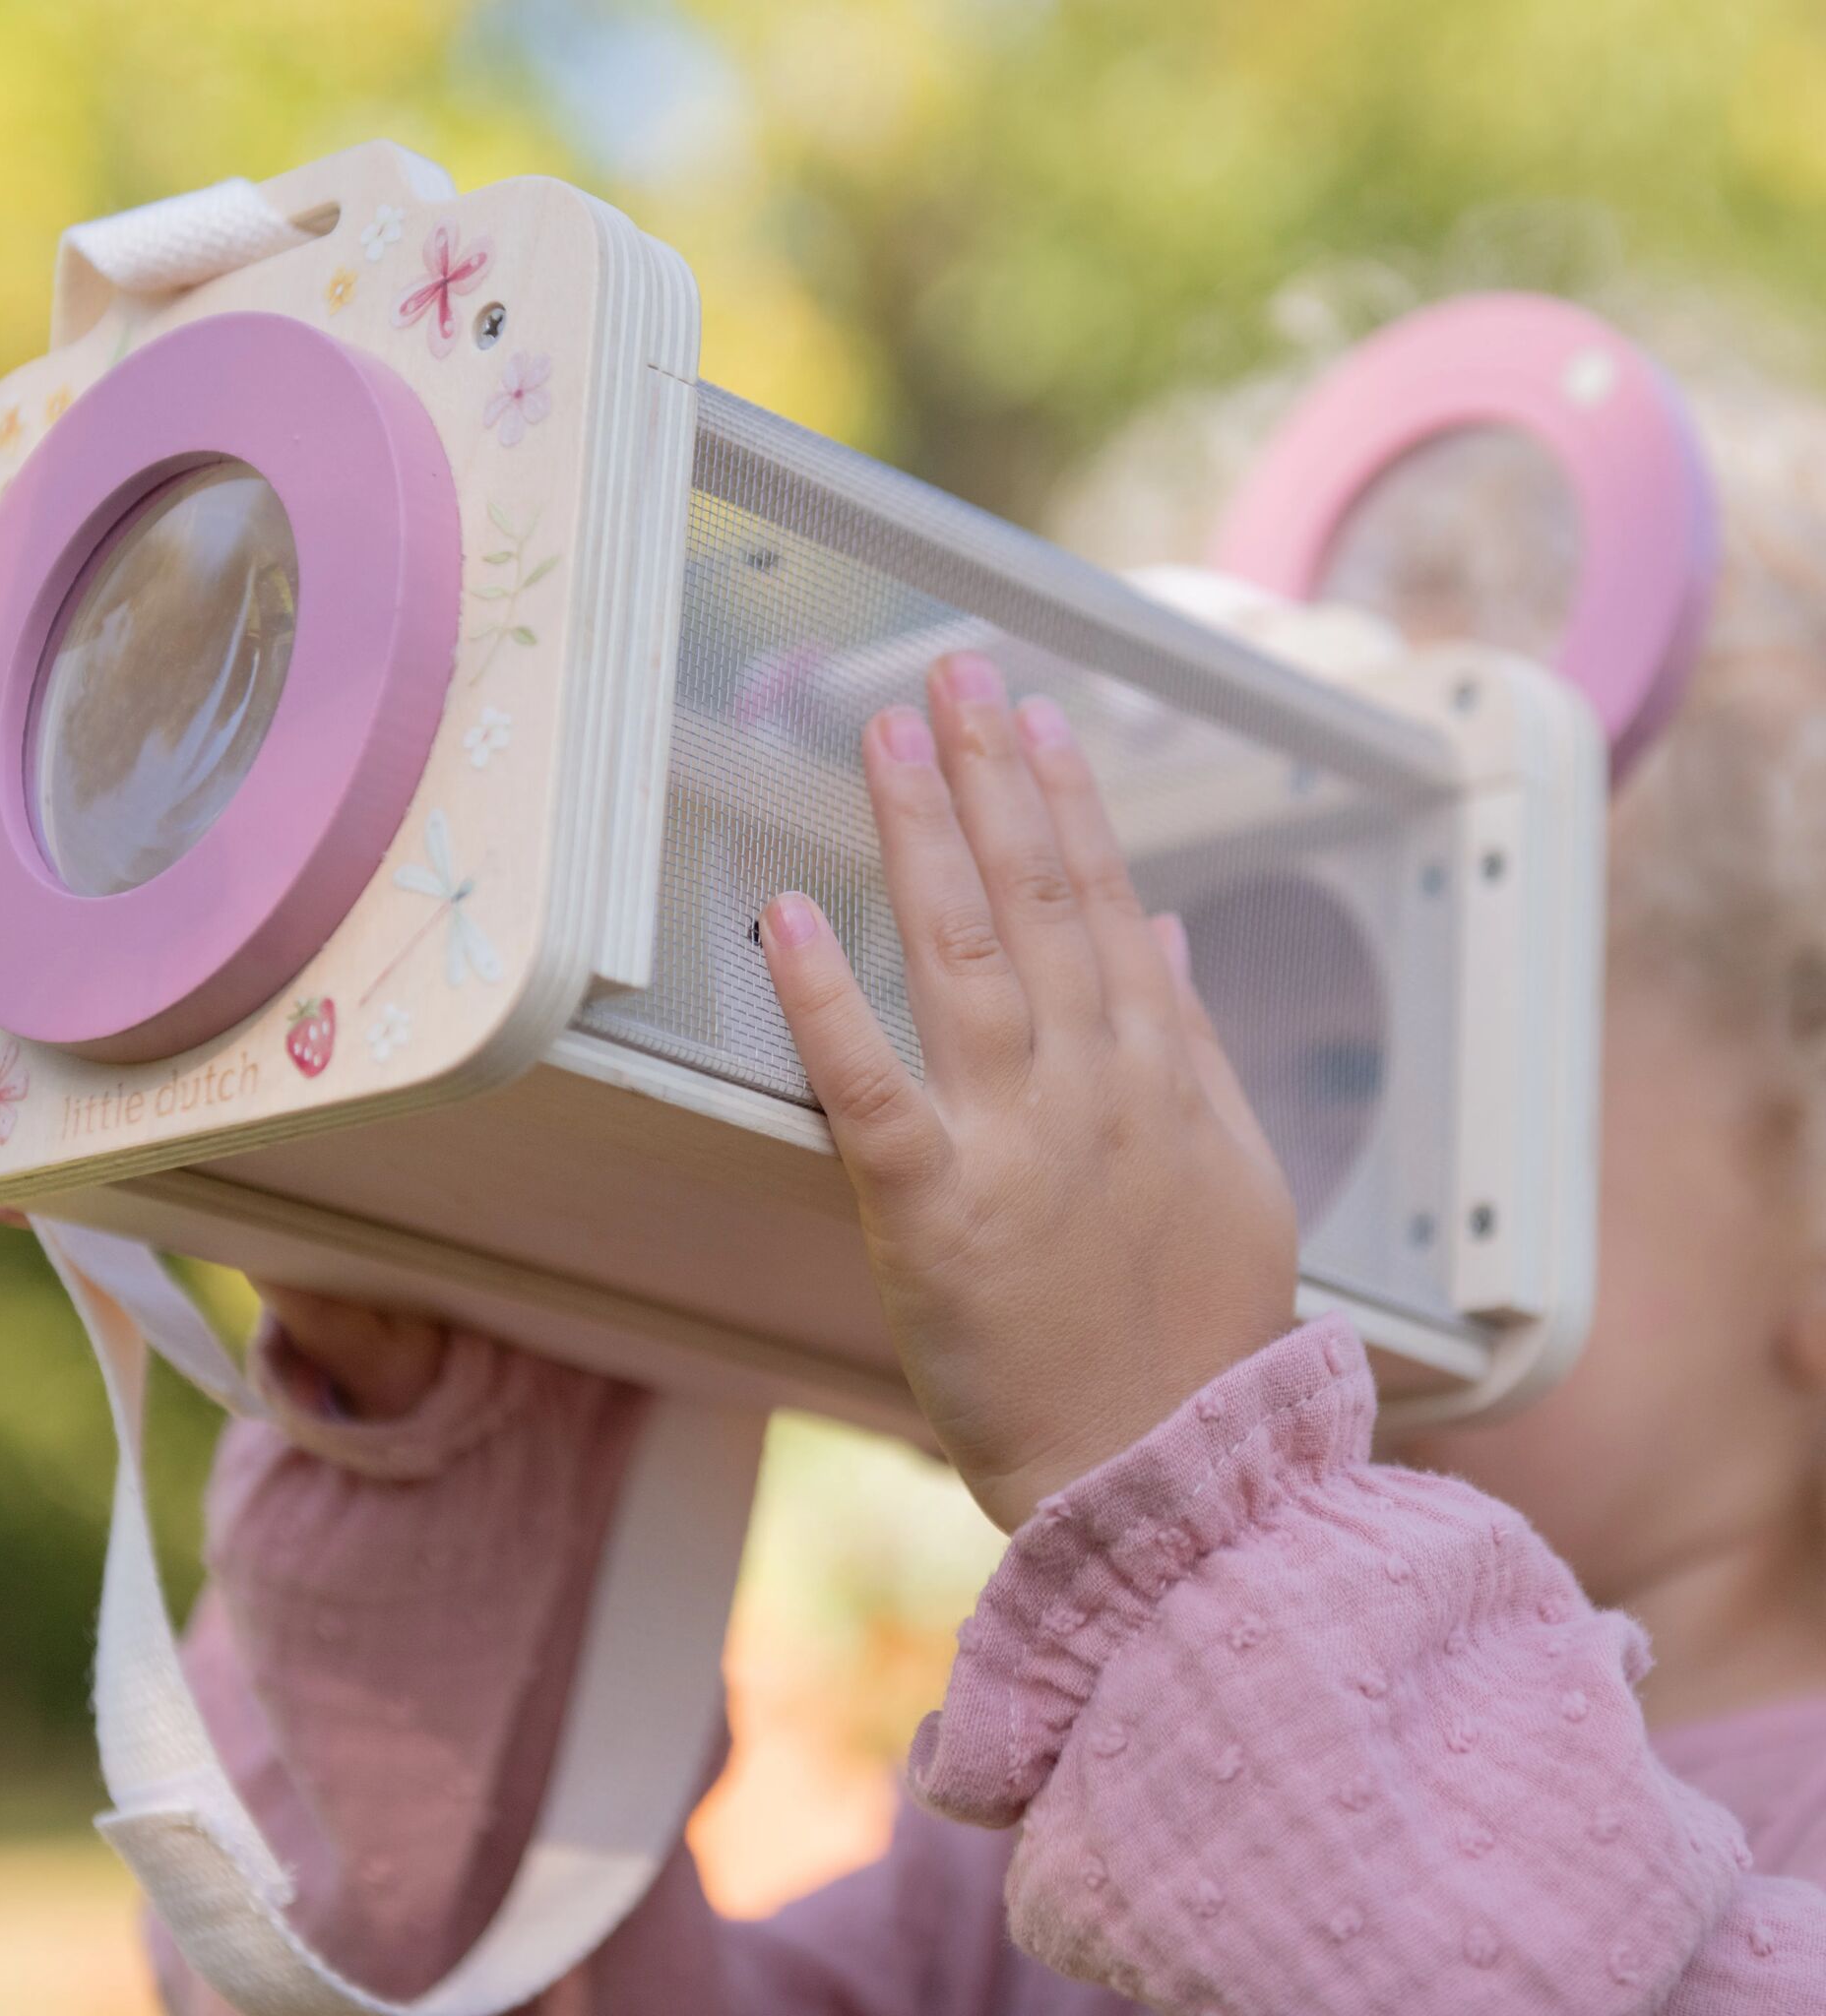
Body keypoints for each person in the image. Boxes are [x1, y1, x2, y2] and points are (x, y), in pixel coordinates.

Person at [147, 343, 1826, 2010]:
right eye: (1177, 1021)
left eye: (1363, 1064)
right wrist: (454, 1447)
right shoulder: (1080, 1808)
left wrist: (1214, 1524)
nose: (1207, 1166)